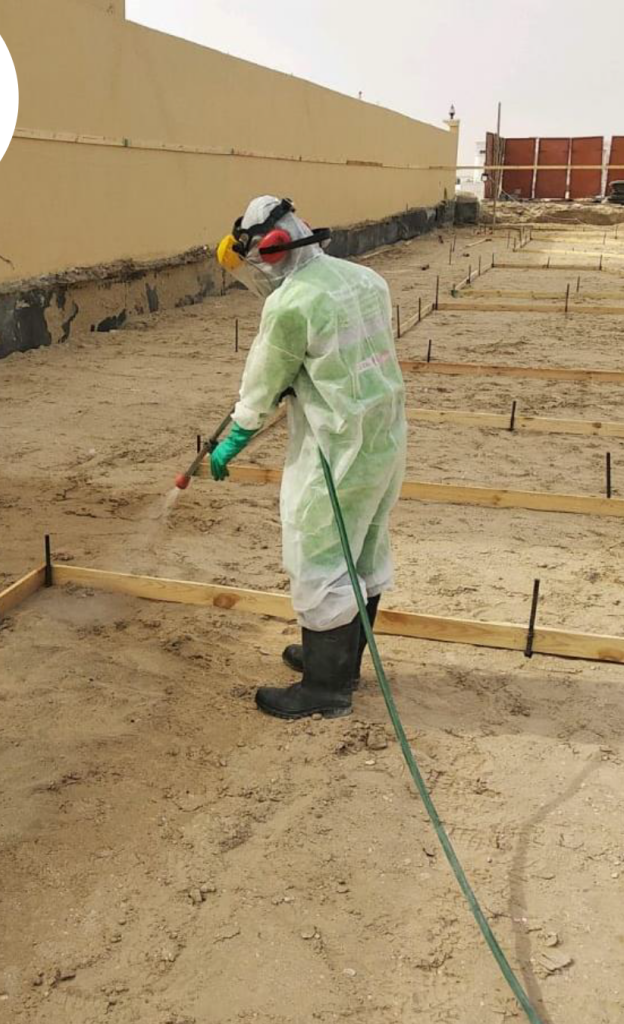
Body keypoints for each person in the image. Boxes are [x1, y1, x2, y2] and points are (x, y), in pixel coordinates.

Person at [213, 196, 407, 720]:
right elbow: (347, 355)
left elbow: (263, 384)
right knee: (362, 546)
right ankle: (341, 661)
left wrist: (234, 438)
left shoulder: (290, 303)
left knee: (318, 555)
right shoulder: (366, 279)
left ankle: (325, 689)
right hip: (382, 439)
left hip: (335, 447)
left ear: (273, 249)